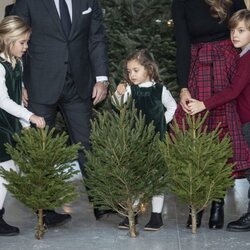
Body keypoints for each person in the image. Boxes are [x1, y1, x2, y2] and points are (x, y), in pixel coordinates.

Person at [12, 0, 110, 223]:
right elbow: (13, 38)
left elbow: (96, 38)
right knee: (41, 147)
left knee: (87, 143)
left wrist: (102, 78)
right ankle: (44, 210)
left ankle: (101, 202)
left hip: (79, 83)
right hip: (39, 84)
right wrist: (18, 82)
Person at [172, 0, 250, 230]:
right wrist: (184, 85)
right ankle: (197, 203)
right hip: (199, 71)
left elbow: (243, 27)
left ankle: (217, 202)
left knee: (223, 137)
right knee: (196, 134)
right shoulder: (181, 3)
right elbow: (182, 43)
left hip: (227, 69)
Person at [113, 49, 177, 231]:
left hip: (157, 140)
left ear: (148, 69)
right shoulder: (131, 90)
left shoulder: (160, 90)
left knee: (157, 178)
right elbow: (118, 105)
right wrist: (119, 93)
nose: (131, 75)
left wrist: (162, 121)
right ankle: (131, 213)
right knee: (135, 176)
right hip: (136, 140)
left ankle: (156, 216)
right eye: (129, 71)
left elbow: (173, 107)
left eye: (136, 70)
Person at [0, 16, 46, 236]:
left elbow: (17, 97)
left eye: (27, 42)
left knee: (8, 170)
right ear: (8, 40)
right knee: (7, 170)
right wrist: (30, 116)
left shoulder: (15, 63)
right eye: (22, 42)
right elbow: (2, 100)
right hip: (0, 126)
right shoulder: (0, 66)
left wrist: (23, 124)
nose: (26, 47)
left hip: (8, 125)